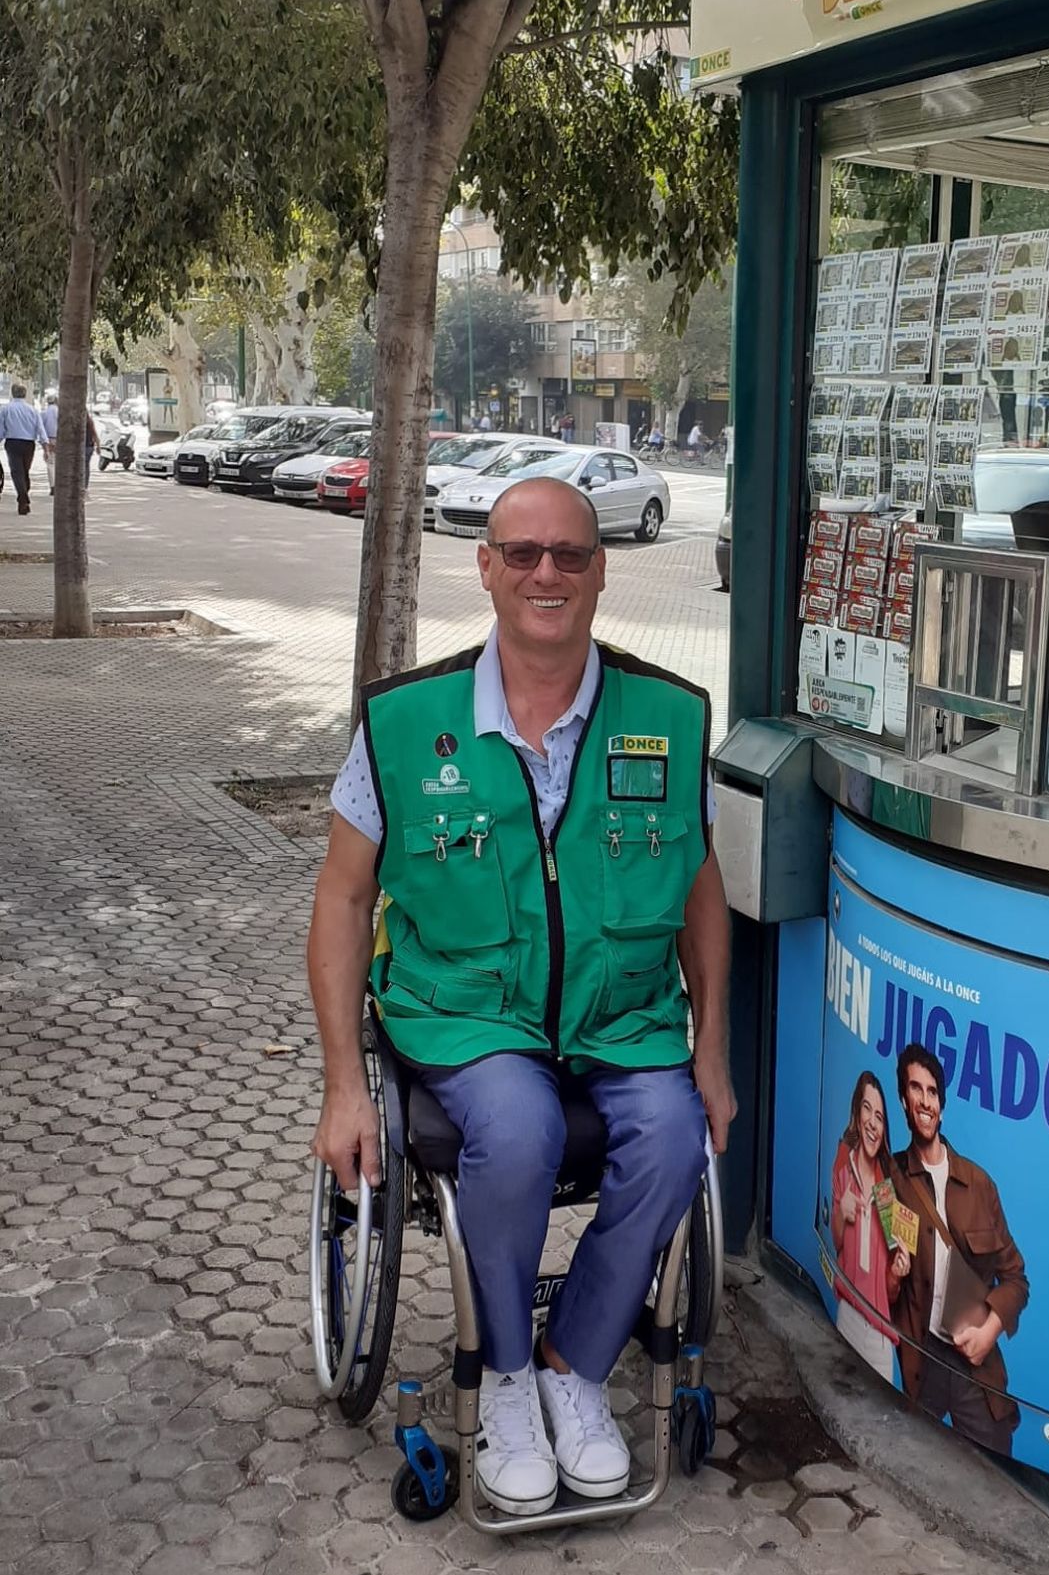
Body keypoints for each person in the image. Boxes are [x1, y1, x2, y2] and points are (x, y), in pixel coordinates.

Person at [307, 474, 736, 1520]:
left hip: (619, 1013)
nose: (549, 572)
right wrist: (339, 1087)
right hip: (466, 1011)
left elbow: (698, 889)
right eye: (525, 553)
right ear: (487, 566)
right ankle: (502, 1378)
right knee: (518, 1124)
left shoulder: (668, 717)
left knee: (679, 1134)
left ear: (600, 572)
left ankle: (570, 1365)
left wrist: (711, 1050)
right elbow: (341, 893)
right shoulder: (406, 722)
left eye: (572, 555)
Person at [886, 1044, 1028, 1455]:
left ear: (941, 1108)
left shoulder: (980, 1185)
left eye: (932, 1092)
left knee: (994, 1476)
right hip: (921, 1358)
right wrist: (894, 1276)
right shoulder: (892, 1178)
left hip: (973, 1367)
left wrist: (989, 1333)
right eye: (916, 1090)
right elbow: (884, 1285)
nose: (925, 1101)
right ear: (904, 1102)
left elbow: (1017, 1279)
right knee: (910, 1464)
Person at [829, 1071, 900, 1382]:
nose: (873, 1122)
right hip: (847, 1313)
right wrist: (842, 1214)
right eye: (867, 1110)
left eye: (880, 1117)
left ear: (884, 1130)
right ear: (857, 1114)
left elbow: (891, 1290)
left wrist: (898, 1272)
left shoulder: (888, 1190)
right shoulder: (843, 1167)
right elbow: (837, 1243)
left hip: (879, 1333)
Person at [0, 383, 48, 515]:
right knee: (24, 471)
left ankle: (23, 498)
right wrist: (45, 446)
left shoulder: (6, 409)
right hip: (29, 444)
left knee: (17, 472)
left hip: (13, 443)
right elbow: (40, 428)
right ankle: (24, 499)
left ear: (12, 393)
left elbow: (1, 429)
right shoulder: (32, 410)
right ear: (25, 394)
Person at [40, 393, 58, 492]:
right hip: (61, 440)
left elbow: (40, 429)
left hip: (49, 439)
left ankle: (53, 485)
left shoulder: (44, 413)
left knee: (50, 463)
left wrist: (44, 443)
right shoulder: (61, 412)